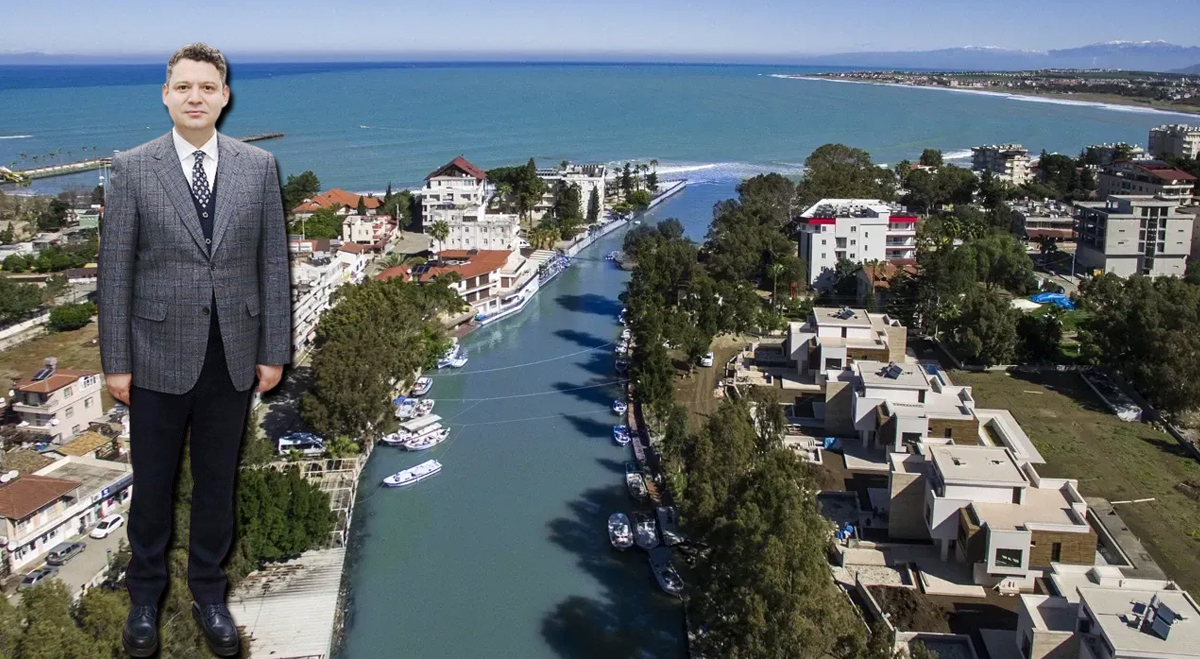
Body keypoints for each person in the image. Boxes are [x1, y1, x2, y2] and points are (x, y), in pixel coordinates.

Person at [97, 42, 290, 658]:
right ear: (166, 94)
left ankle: (210, 593)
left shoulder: (258, 167)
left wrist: (274, 349)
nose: (196, 97)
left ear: (225, 96)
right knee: (152, 487)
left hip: (233, 355)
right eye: (184, 87)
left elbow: (273, 264)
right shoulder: (131, 168)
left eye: (208, 87)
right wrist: (115, 360)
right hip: (153, 355)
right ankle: (144, 602)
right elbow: (115, 271)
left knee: (216, 485)